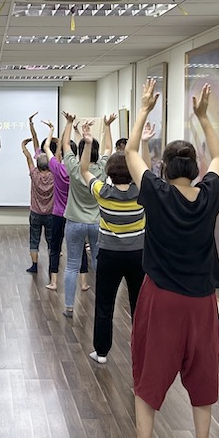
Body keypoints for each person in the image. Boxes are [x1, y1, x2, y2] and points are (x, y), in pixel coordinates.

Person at [117, 78, 219, 438]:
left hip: (160, 297)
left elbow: (131, 152)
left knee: (150, 368)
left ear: (163, 168)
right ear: (195, 169)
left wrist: (143, 110)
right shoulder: (210, 195)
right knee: (203, 372)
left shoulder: (156, 194)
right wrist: (204, 117)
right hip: (201, 302)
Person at [77, 122, 145, 364]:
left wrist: (87, 143)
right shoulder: (142, 191)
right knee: (140, 305)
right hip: (138, 255)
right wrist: (144, 144)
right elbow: (146, 171)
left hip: (109, 254)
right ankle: (141, 352)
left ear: (109, 172)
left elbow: (84, 169)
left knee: (104, 304)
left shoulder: (102, 191)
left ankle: (102, 352)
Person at [59, 112, 113, 317]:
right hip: (97, 222)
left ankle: (69, 307)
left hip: (74, 221)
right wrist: (107, 125)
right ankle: (102, 304)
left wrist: (69, 123)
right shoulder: (101, 169)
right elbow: (109, 148)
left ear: (80, 151)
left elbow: (65, 145)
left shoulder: (74, 168)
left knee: (72, 265)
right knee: (99, 265)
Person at [41, 120, 90, 293]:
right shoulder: (80, 171)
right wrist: (79, 132)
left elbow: (46, 147)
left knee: (54, 248)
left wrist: (52, 130)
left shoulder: (56, 168)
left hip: (57, 215)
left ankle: (54, 282)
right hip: (75, 215)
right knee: (80, 249)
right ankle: (83, 283)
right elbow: (84, 151)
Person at [21, 135, 54, 274]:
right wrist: (57, 142)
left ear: (38, 165)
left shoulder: (34, 174)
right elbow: (57, 158)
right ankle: (52, 266)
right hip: (51, 214)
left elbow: (29, 158)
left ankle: (34, 266)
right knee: (51, 241)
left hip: (35, 213)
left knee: (34, 239)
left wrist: (23, 146)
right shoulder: (54, 175)